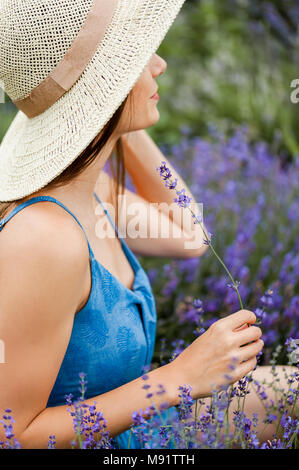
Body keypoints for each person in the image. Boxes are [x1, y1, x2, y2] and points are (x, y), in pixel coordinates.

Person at [0, 0, 295, 449]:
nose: (159, 64)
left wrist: (114, 116)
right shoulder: (43, 237)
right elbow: (11, 434)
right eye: (137, 59)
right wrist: (179, 377)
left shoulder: (90, 196)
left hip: (139, 425)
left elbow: (190, 235)